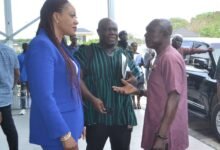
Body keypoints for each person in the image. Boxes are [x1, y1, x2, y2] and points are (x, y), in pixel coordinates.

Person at [113, 19, 189, 150]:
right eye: (146, 32)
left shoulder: (169, 58)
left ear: (165, 34)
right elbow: (160, 93)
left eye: (150, 31)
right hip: (158, 128)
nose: (145, 35)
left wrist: (161, 137)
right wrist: (137, 91)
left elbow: (174, 97)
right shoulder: (161, 56)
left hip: (166, 135)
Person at [74, 18, 142, 150]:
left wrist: (134, 80)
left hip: (121, 116)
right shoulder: (86, 52)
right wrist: (92, 99)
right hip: (96, 116)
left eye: (114, 30)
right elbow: (77, 79)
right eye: (107, 29)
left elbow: (136, 77)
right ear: (98, 32)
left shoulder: (125, 54)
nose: (112, 33)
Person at [25, 0, 83, 149]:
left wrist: (79, 121)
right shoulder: (42, 45)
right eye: (72, 16)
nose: (76, 21)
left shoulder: (59, 47)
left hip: (70, 124)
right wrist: (64, 134)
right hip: (59, 133)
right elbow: (43, 97)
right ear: (57, 17)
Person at [0, 43, 19, 150]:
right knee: (10, 130)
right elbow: (17, 72)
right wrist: (11, 86)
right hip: (6, 97)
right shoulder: (10, 51)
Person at [130, 42, 144, 109]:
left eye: (136, 46)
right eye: (134, 46)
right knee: (132, 88)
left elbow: (143, 64)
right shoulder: (128, 55)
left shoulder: (140, 55)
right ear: (131, 47)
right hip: (131, 74)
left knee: (139, 88)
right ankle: (133, 103)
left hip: (140, 74)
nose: (135, 48)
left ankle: (138, 102)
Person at [17, 42, 29, 115]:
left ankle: (35, 108)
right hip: (23, 77)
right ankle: (23, 108)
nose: (26, 48)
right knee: (23, 94)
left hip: (32, 78)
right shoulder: (19, 56)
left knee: (34, 93)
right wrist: (18, 78)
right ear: (23, 48)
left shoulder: (32, 56)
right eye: (25, 47)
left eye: (27, 47)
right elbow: (18, 68)